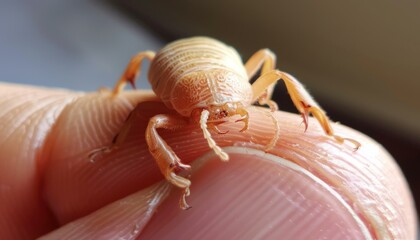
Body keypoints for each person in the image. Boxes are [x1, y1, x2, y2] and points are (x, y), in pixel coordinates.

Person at [0, 82, 416, 239]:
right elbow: (152, 125)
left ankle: (324, 127)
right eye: (208, 115)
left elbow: (272, 71)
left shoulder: (243, 89)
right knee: (150, 124)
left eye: (229, 110)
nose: (221, 120)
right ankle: (177, 180)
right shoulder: (170, 110)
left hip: (218, 72)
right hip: (185, 73)